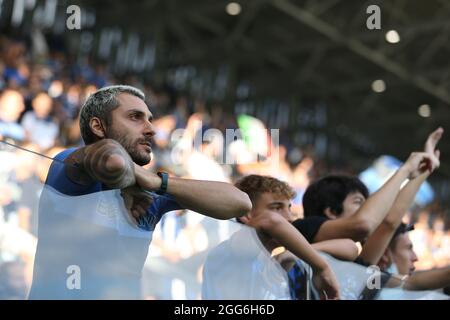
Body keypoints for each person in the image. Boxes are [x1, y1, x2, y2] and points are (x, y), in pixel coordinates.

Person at [28, 85, 252, 299]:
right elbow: (112, 158)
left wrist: (157, 182)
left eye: (150, 119)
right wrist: (137, 179)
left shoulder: (151, 190)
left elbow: (240, 202)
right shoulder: (67, 164)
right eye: (135, 117)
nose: (151, 129)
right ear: (98, 127)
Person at [202, 174, 346, 300]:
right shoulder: (233, 248)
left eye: (289, 208)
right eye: (276, 208)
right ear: (246, 214)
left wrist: (294, 253)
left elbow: (349, 246)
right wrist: (321, 268)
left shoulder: (281, 253)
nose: (289, 218)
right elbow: (269, 220)